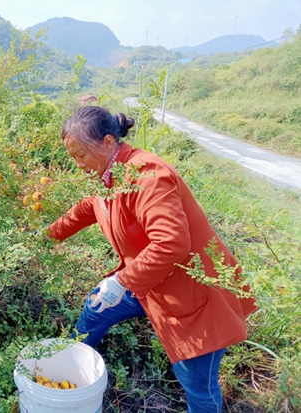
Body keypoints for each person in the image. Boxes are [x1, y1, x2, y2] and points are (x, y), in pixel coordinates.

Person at [47, 106, 258, 413]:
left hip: (191, 291)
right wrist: (44, 237)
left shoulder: (147, 175)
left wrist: (122, 281)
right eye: (73, 157)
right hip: (148, 281)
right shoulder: (110, 174)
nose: (78, 164)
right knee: (96, 308)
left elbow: (171, 243)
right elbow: (87, 208)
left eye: (81, 155)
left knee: (197, 385)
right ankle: (72, 363)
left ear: (107, 142)